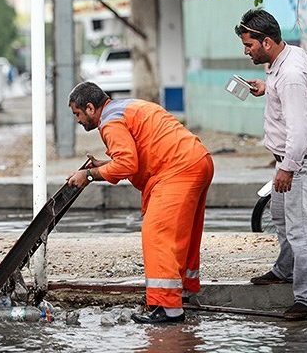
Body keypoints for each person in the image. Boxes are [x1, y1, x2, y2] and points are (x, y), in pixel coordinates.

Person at [66, 82, 214, 324]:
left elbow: (127, 164)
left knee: (157, 234)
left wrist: (89, 175)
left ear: (91, 108)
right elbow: (138, 152)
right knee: (184, 235)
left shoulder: (110, 123)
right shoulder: (126, 108)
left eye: (77, 114)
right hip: (197, 160)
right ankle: (184, 293)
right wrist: (103, 165)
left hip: (177, 169)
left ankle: (168, 308)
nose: (78, 120)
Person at [236, 8, 307, 320]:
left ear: (266, 43)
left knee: (301, 230)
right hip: (291, 161)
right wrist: (265, 88)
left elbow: (300, 128)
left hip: (302, 163)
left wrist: (287, 168)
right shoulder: (286, 57)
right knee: (279, 214)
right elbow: (288, 92)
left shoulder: (289, 75)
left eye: (249, 45)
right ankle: (284, 269)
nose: (245, 51)